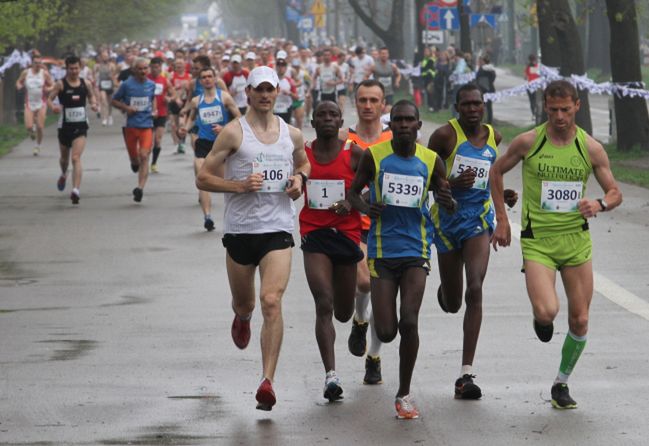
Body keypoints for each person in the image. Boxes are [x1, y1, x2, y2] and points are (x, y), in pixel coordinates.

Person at [490, 80, 623, 409]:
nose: (560, 116)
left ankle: (561, 383)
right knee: (548, 311)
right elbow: (496, 171)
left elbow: (615, 192)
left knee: (579, 320)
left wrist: (599, 204)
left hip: (576, 242)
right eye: (553, 110)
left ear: (577, 106)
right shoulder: (528, 142)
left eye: (566, 109)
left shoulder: (589, 148)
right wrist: (503, 220)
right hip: (539, 243)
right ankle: (541, 318)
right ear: (544, 108)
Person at [195, 66, 310, 411]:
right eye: (258, 89)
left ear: (277, 93)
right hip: (241, 232)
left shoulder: (292, 134)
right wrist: (238, 186)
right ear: (248, 93)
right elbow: (203, 178)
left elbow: (304, 164)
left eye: (270, 89)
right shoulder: (233, 134)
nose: (264, 95)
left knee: (271, 300)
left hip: (277, 230)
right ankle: (242, 318)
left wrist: (299, 181)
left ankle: (267, 381)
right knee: (246, 304)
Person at [348, 100, 454, 419]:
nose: (404, 125)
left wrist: (448, 201)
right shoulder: (374, 156)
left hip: (417, 249)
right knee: (387, 330)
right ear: (390, 125)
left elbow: (445, 197)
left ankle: (404, 394)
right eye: (398, 120)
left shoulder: (431, 160)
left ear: (419, 125)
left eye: (410, 120)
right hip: (382, 251)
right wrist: (367, 209)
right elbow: (353, 195)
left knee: (409, 320)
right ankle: (364, 323)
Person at [427, 83, 517, 400]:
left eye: (477, 104)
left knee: (475, 287)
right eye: (466, 104)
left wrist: (502, 197)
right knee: (453, 303)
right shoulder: (444, 137)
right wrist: (450, 183)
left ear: (484, 105)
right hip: (447, 220)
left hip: (478, 220)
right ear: (457, 107)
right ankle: (445, 289)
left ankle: (466, 373)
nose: (472, 109)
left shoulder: (495, 136)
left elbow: (490, 176)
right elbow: (423, 176)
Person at [300, 101, 364, 402]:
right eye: (321, 115)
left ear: (341, 121)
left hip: (346, 236)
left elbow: (371, 189)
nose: (327, 119)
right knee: (323, 302)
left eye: (332, 115)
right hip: (314, 234)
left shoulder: (354, 154)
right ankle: (331, 376)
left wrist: (351, 203)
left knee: (343, 311)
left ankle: (356, 321)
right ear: (313, 122)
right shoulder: (303, 154)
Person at [338, 79, 393, 385]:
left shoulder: (396, 137)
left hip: (391, 228)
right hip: (355, 226)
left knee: (384, 299)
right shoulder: (345, 139)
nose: (369, 106)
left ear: (383, 104)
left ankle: (374, 357)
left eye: (374, 100)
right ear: (355, 103)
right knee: (364, 282)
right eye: (363, 100)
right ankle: (360, 319)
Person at [179, 67, 240, 230]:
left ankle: (237, 216)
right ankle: (207, 216)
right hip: (203, 143)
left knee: (226, 183)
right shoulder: (196, 101)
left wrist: (224, 128)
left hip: (221, 145)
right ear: (200, 81)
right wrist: (185, 128)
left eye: (209, 76)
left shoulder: (224, 97)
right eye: (203, 77)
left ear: (215, 79)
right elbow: (191, 119)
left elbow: (240, 119)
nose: (207, 79)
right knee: (202, 176)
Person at [47, 56, 98, 204]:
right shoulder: (60, 84)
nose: (74, 71)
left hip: (81, 125)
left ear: (80, 68)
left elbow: (91, 96)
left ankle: (76, 190)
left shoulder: (85, 83)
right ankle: (64, 173)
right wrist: (54, 108)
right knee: (64, 159)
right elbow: (50, 99)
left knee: (75, 157)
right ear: (67, 68)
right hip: (65, 126)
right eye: (71, 68)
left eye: (76, 68)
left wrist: (94, 104)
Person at [112, 57, 157, 203]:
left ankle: (140, 188)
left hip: (146, 126)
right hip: (130, 127)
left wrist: (155, 110)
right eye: (140, 69)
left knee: (144, 155)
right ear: (134, 70)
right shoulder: (126, 85)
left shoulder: (151, 84)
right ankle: (134, 162)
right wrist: (126, 108)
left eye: (145, 68)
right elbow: (114, 100)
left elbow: (152, 99)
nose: (143, 71)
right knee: (135, 159)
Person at [16, 50, 53, 155]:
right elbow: (19, 81)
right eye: (35, 63)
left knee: (40, 127)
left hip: (41, 102)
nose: (37, 65)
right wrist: (19, 85)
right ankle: (32, 132)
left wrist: (48, 89)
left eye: (39, 63)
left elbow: (53, 85)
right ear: (31, 63)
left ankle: (37, 146)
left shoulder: (44, 73)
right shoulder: (26, 72)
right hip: (29, 102)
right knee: (29, 126)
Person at [148, 57, 176, 173]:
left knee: (158, 140)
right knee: (148, 141)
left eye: (157, 67)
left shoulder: (164, 80)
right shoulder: (146, 79)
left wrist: (169, 98)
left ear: (161, 68)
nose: (155, 70)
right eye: (153, 67)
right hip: (147, 113)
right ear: (150, 67)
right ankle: (144, 159)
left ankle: (154, 163)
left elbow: (173, 94)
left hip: (161, 113)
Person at [368, 47, 401, 112]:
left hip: (389, 92)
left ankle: (384, 121)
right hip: (377, 92)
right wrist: (367, 86)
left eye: (386, 53)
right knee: (378, 111)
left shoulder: (392, 66)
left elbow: (398, 75)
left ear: (388, 55)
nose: (384, 55)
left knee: (388, 110)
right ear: (379, 55)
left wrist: (397, 82)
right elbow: (366, 76)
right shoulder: (374, 66)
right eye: (382, 53)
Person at [94, 50, 117, 126]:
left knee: (110, 102)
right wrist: (94, 79)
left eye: (106, 56)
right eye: (103, 56)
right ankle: (104, 118)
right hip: (102, 85)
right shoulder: (97, 65)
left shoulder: (112, 65)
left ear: (108, 57)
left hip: (110, 85)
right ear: (100, 57)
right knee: (103, 100)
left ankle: (110, 116)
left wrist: (112, 76)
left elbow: (115, 75)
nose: (105, 58)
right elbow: (93, 74)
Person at [474, 55, 496, 124]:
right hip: (488, 89)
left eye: (480, 61)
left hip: (484, 90)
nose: (478, 62)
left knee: (484, 106)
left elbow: (479, 79)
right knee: (488, 107)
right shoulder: (491, 69)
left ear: (483, 61)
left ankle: (485, 121)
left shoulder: (483, 69)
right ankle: (488, 121)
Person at [525, 54, 541, 121]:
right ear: (535, 59)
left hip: (529, 86)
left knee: (531, 101)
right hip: (537, 86)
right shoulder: (537, 67)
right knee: (536, 101)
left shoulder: (528, 68)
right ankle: (537, 113)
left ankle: (533, 114)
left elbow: (525, 77)